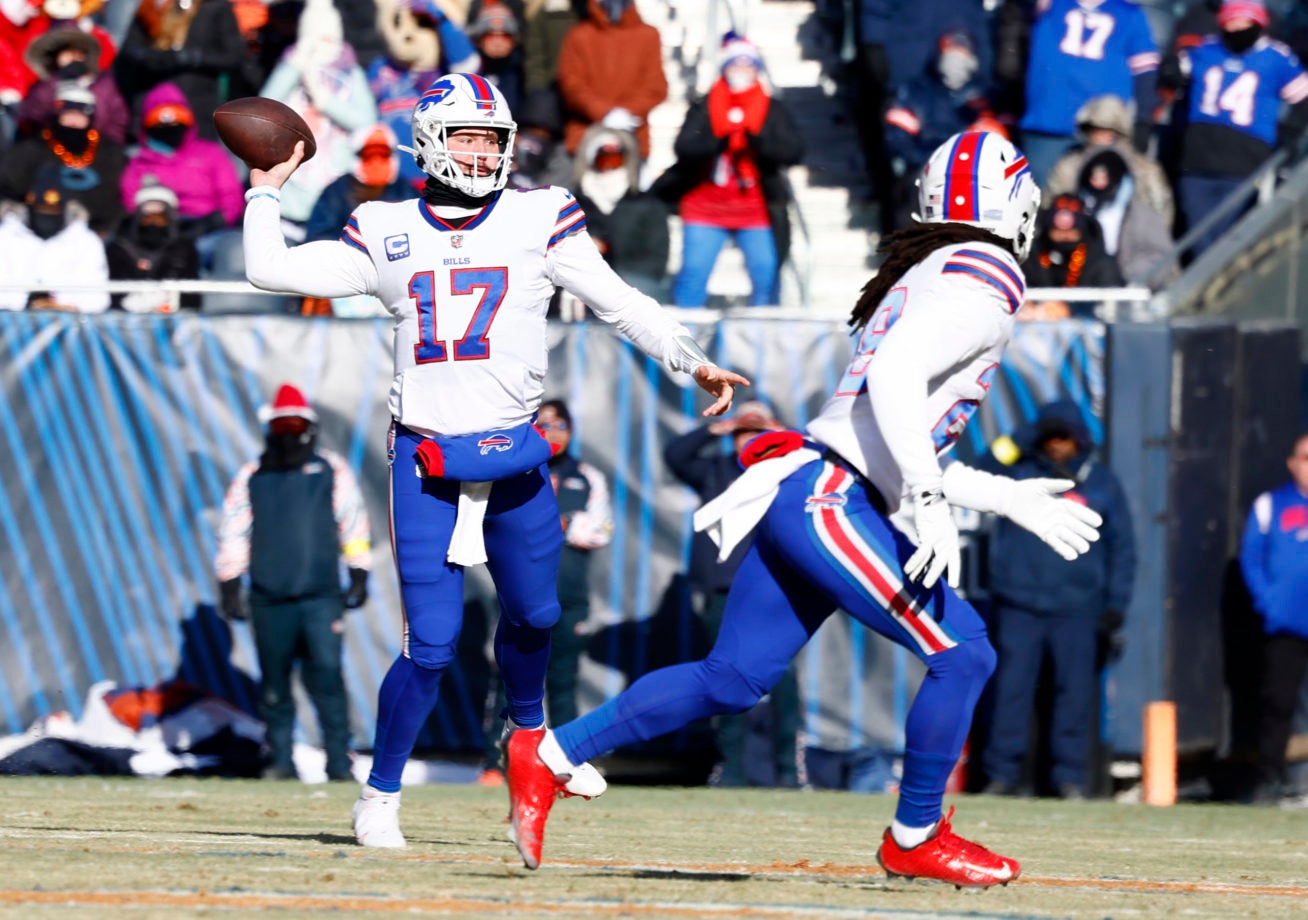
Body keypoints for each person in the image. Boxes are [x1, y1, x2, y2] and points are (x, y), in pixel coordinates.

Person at [504, 130, 1103, 884]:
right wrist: (925, 499)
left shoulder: (931, 269)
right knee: (965, 650)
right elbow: (892, 383)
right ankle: (916, 835)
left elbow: (896, 431)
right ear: (1013, 203)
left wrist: (1003, 494)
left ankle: (548, 753)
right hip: (832, 497)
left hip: (815, 488)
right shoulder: (985, 271)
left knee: (733, 678)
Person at [238, 72, 748, 847]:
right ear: (430, 142)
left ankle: (531, 741)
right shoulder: (382, 226)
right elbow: (268, 271)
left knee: (540, 614)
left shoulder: (540, 214)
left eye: (491, 138)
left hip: (513, 453)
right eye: (467, 137)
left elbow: (618, 300)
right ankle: (379, 795)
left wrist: (690, 358)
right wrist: (264, 191)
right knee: (433, 645)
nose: (480, 152)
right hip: (427, 459)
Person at [978, 400, 1136, 800]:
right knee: (1010, 692)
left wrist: (1115, 605)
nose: (1056, 446)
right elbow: (980, 471)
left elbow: (1123, 549)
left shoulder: (1100, 482)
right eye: (1049, 437)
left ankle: (1069, 779)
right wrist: (1023, 437)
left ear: (1079, 439)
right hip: (1019, 604)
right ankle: (1001, 775)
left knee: (1074, 696)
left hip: (1078, 609)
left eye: (1063, 437)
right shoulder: (1020, 472)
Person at [215, 383, 373, 782]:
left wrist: (358, 571)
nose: (288, 432)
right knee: (274, 685)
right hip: (269, 599)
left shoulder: (330, 470)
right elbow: (234, 531)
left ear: (309, 427)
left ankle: (339, 761)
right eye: (280, 424)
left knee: (327, 678)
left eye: (295, 424)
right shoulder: (253, 475)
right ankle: (280, 760)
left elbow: (351, 522)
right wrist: (230, 583)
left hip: (321, 597)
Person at [662, 398, 800, 788]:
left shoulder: (790, 472)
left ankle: (788, 771)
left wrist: (778, 432)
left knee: (784, 679)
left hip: (779, 590)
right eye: (745, 431)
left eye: (759, 430)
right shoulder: (717, 469)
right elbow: (675, 454)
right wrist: (717, 427)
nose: (751, 437)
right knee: (727, 676)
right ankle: (731, 768)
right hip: (725, 590)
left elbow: (819, 454)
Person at [479, 397, 613, 784]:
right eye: (545, 425)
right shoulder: (512, 469)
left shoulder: (586, 475)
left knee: (563, 683)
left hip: (567, 598)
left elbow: (600, 529)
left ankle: (566, 765)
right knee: (508, 679)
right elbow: (495, 522)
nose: (553, 433)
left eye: (561, 426)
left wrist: (560, 522)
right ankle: (494, 763)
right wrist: (557, 525)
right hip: (517, 594)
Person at [654, 33, 803, 308]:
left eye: (748, 65)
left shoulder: (771, 108)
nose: (742, 72)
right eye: (736, 65)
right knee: (692, 277)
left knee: (766, 278)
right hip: (706, 206)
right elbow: (685, 147)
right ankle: (681, 345)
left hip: (756, 209)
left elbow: (793, 151)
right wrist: (718, 139)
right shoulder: (705, 105)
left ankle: (761, 342)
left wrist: (758, 143)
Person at [1172, 0, 1308, 257]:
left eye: (1244, 21)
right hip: (1198, 158)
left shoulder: (1276, 57)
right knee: (1198, 237)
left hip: (1245, 159)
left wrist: (1289, 133)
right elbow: (1175, 74)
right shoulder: (1207, 49)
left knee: (1227, 239)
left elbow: (1303, 97)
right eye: (1232, 21)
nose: (1237, 27)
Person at [1018, 0, 1160, 183]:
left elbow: (1146, 73)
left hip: (1101, 129)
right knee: (1039, 198)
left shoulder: (1130, 14)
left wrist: (1144, 120)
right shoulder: (1052, 5)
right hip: (1048, 123)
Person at [1239, 431, 1308, 804]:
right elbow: (1251, 559)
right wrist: (1271, 603)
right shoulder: (1271, 505)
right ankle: (1271, 781)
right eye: (1306, 458)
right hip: (1287, 624)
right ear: (1292, 462)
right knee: (1278, 704)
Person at [570, 124, 668, 300]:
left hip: (633, 279)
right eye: (603, 160)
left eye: (615, 161)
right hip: (585, 280)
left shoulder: (644, 202)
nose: (608, 168)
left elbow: (657, 255)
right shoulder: (575, 201)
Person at [0, 165, 108, 312]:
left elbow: (97, 299)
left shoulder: (86, 242)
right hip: (11, 325)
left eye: (54, 210)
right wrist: (28, 304)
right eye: (41, 208)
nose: (47, 215)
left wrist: (58, 306)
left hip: (71, 326)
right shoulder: (6, 236)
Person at [1021, 194, 1123, 320]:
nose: (1065, 237)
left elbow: (1114, 302)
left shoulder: (1099, 262)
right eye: (1058, 232)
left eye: (1071, 232)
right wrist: (1031, 306)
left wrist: (1069, 310)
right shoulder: (1031, 258)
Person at [105, 179, 201, 312]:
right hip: (127, 316)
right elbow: (115, 294)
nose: (153, 219)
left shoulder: (184, 248)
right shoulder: (119, 247)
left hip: (173, 317)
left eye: (160, 212)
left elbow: (191, 297)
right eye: (147, 213)